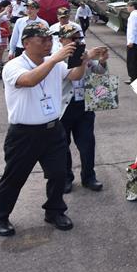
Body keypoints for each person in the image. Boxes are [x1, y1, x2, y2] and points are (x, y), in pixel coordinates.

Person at [0, 23, 105, 237]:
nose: (48, 44)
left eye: (50, 39)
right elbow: (29, 80)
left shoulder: (54, 64)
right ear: (26, 43)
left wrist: (82, 61)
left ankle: (55, 210)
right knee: (14, 177)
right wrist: (53, 60)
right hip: (24, 134)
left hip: (52, 129)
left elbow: (75, 76)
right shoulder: (14, 66)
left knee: (58, 174)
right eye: (42, 40)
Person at [57, 24, 108, 193]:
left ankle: (89, 177)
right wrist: (85, 58)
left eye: (78, 38)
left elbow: (97, 72)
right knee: (63, 145)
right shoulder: (56, 57)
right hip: (64, 106)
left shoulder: (84, 53)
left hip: (84, 104)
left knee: (87, 143)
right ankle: (66, 178)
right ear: (62, 40)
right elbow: (70, 73)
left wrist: (102, 61)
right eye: (72, 39)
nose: (76, 42)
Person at [125, 0, 137, 83]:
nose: (127, 8)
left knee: (132, 61)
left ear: (132, 7)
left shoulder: (133, 15)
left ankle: (133, 78)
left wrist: (130, 41)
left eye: (128, 6)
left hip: (134, 42)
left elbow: (132, 29)